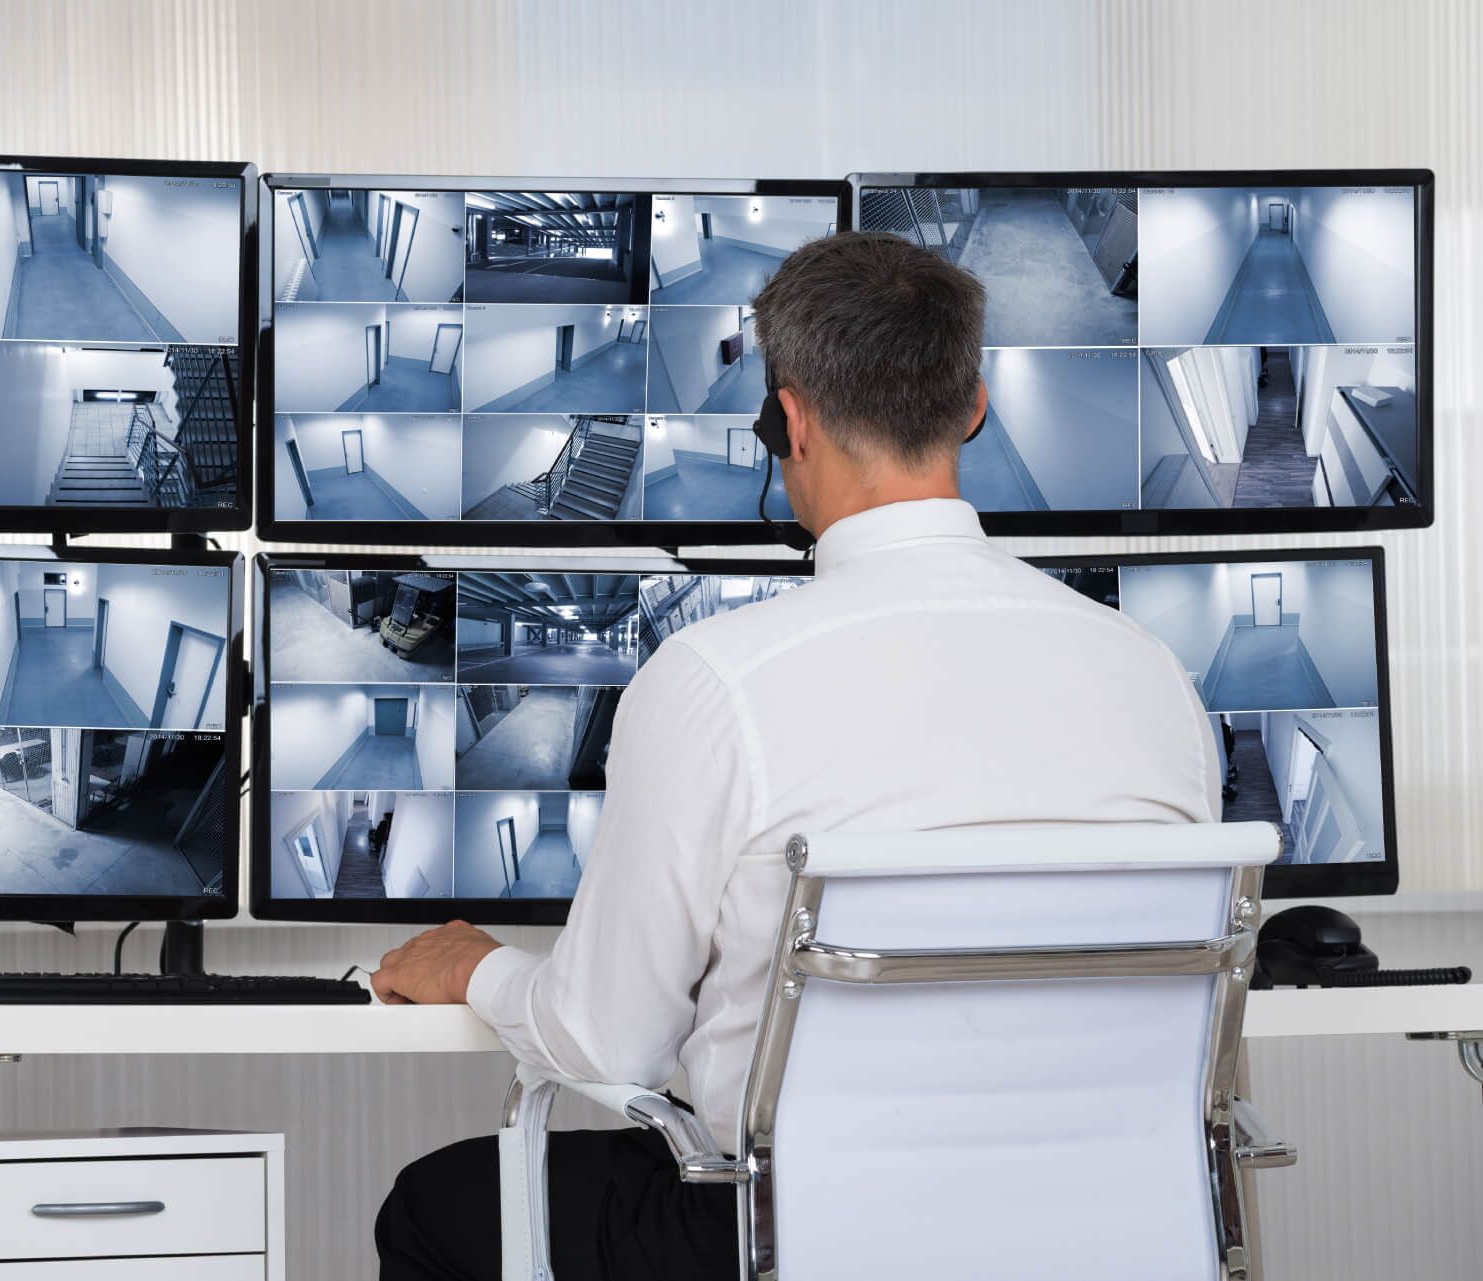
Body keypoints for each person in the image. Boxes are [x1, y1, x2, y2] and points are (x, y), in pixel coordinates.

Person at [371, 232, 1221, 1281]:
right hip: (1100, 1239)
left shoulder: (714, 679)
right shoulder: (1153, 679)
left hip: (799, 1236)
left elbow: (604, 1045)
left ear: (787, 418)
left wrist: (481, 969)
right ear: (971, 408)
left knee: (433, 1204)